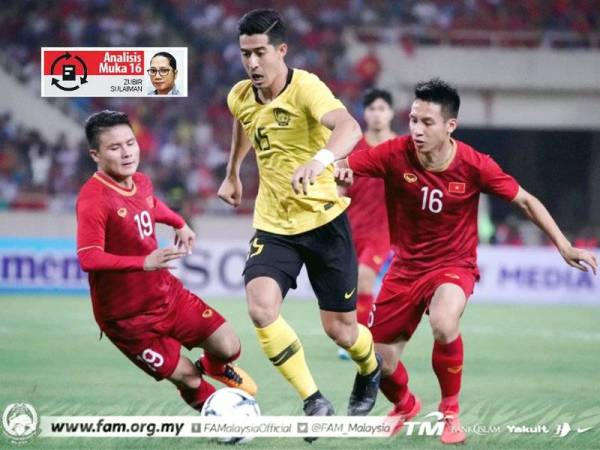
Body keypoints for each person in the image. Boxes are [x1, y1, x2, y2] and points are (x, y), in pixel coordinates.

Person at [335, 79, 598, 444]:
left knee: (444, 322)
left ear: (449, 126)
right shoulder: (394, 153)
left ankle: (450, 412)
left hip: (453, 265)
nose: (416, 129)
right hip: (405, 268)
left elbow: (525, 201)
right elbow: (343, 164)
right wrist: (337, 168)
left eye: (427, 122)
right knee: (379, 361)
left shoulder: (475, 165)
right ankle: (406, 405)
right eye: (413, 120)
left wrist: (565, 246)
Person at [217, 8, 382, 425]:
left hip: (326, 222)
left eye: (259, 53)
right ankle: (313, 398)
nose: (252, 63)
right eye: (245, 54)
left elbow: (349, 127)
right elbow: (243, 122)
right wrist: (233, 172)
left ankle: (370, 369)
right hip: (274, 226)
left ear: (281, 50)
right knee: (260, 307)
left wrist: (320, 160)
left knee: (342, 331)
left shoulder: (306, 87)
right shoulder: (240, 94)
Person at [76, 110, 256, 415]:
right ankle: (225, 418)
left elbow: (150, 205)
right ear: (95, 154)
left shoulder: (141, 182)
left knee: (229, 345)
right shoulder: (93, 200)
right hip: (128, 320)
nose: (127, 152)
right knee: (188, 378)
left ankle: (215, 366)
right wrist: (143, 262)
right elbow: (88, 257)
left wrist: (178, 222)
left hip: (167, 295)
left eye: (130, 143)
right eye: (114, 147)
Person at [337, 88, 394, 361]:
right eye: (372, 108)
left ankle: (361, 338)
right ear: (364, 113)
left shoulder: (401, 149)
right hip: (349, 227)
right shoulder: (353, 147)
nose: (377, 114)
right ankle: (350, 335)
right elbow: (339, 189)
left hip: (382, 231)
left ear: (391, 113)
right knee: (346, 285)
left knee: (365, 279)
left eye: (382, 108)